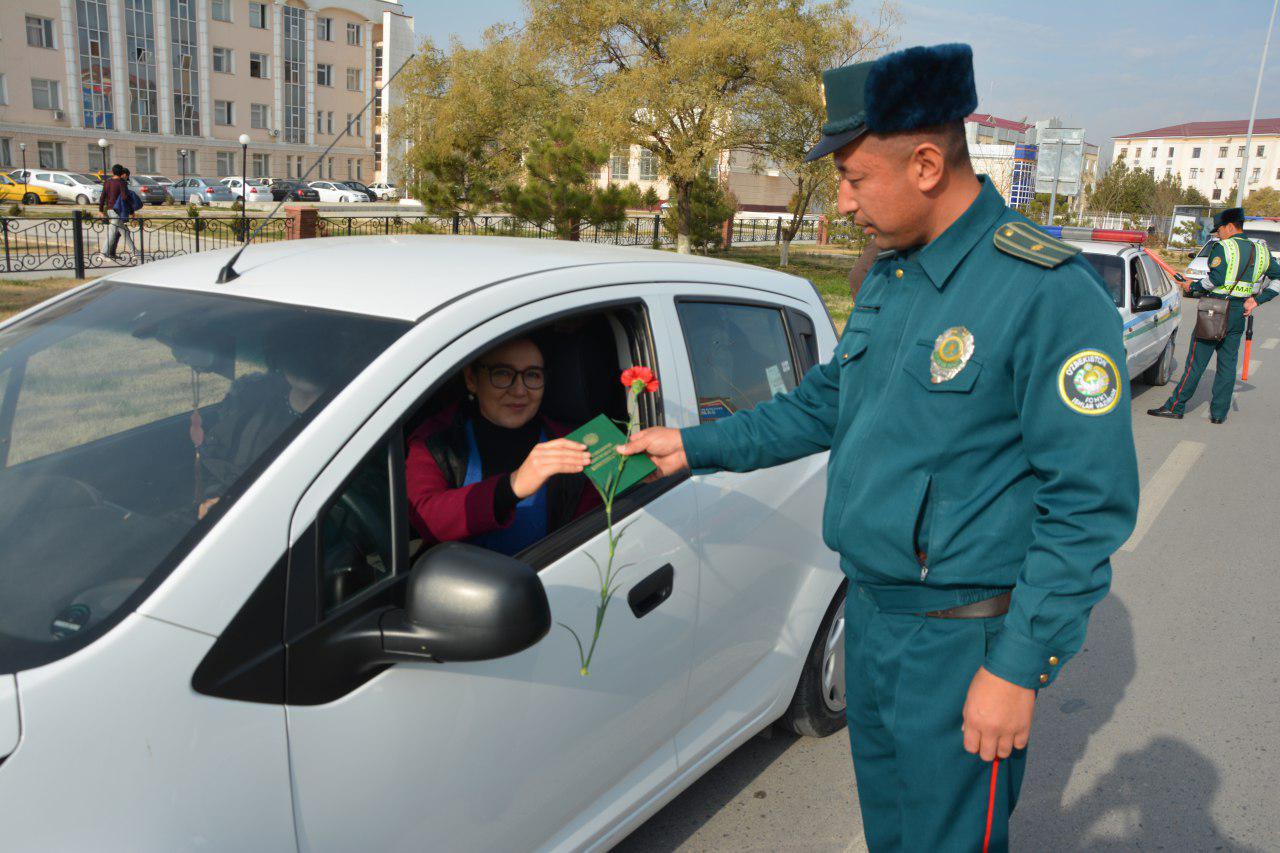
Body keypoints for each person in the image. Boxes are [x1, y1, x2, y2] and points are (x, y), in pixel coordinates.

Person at [620, 43, 1139, 852]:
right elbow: (826, 404)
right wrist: (695, 445)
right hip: (871, 616)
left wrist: (1016, 665)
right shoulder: (893, 275)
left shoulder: (1044, 292)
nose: (845, 201)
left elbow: (1087, 506)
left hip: (963, 637)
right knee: (895, 836)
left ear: (927, 163)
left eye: (856, 178)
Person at [405, 337, 599, 557]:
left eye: (532, 375)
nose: (519, 391)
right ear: (471, 379)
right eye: (503, 373)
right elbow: (427, 519)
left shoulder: (576, 443)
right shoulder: (435, 440)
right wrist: (511, 487)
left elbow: (592, 533)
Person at [1147, 206, 1280, 423]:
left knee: (1196, 362)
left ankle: (1176, 406)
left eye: (1219, 230)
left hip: (1215, 309)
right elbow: (1278, 279)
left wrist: (1193, 286)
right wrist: (1257, 300)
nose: (1218, 234)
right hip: (1238, 313)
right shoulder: (1261, 251)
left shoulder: (1223, 248)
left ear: (1229, 227)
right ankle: (1219, 414)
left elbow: (1215, 280)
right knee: (1227, 366)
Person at [98, 164, 138, 260]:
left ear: (112, 172)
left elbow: (102, 197)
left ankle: (134, 252)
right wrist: (132, 211)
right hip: (118, 211)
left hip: (109, 210)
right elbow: (125, 198)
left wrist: (100, 210)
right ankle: (103, 254)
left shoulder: (107, 182)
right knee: (112, 232)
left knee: (124, 231)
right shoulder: (121, 183)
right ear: (121, 173)